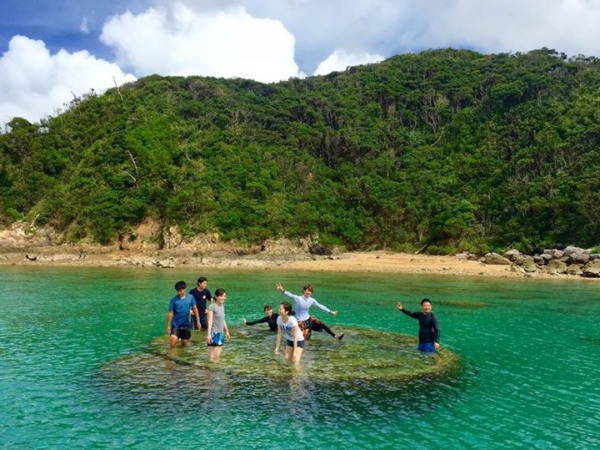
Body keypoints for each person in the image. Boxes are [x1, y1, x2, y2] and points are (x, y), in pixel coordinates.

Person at [275, 282, 343, 341]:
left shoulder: (312, 300)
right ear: (304, 291)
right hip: (300, 322)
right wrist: (283, 291)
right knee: (305, 340)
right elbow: (290, 295)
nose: (309, 292)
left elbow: (320, 306)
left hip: (309, 319)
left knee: (322, 325)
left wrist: (330, 311)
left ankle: (336, 336)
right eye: (307, 290)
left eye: (310, 291)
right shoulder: (298, 298)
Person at [167, 281, 201, 349]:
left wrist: (198, 320)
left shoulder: (190, 297)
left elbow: (195, 309)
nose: (179, 292)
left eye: (181, 291)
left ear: (184, 289)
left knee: (184, 344)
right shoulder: (173, 300)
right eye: (178, 291)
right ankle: (170, 357)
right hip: (176, 325)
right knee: (173, 342)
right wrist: (168, 326)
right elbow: (170, 313)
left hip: (186, 325)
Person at [206, 288, 231, 362]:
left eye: (224, 296)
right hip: (214, 332)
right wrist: (208, 334)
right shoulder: (212, 306)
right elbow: (210, 321)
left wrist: (227, 331)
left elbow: (223, 320)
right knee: (212, 354)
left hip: (220, 333)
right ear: (216, 297)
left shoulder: (222, 307)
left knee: (218, 354)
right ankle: (209, 370)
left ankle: (215, 370)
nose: (223, 298)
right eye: (221, 296)